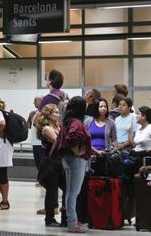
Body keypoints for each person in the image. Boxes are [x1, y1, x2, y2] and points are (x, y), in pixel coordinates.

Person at [59, 96, 92, 233]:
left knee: (70, 193)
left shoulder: (67, 121)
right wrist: (77, 151)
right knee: (74, 193)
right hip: (75, 160)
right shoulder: (76, 123)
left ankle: (72, 220)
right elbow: (72, 138)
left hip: (67, 159)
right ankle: (72, 223)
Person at [36, 104, 66, 227]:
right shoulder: (47, 128)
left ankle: (63, 214)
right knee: (51, 191)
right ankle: (49, 219)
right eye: (55, 112)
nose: (58, 115)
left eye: (58, 112)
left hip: (58, 162)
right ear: (48, 114)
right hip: (49, 162)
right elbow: (59, 142)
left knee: (65, 188)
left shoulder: (58, 126)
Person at [27, 96, 44, 174]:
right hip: (34, 142)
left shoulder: (44, 113)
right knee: (37, 162)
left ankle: (44, 179)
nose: (33, 102)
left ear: (41, 101)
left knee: (42, 162)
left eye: (35, 100)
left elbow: (39, 126)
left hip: (41, 143)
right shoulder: (33, 113)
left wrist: (37, 118)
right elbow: (29, 126)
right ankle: (40, 179)